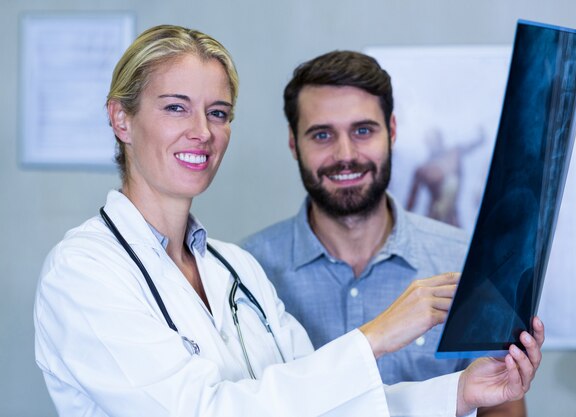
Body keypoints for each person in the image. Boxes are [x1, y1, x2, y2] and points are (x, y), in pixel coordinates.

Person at [34, 25, 543, 417]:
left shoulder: (235, 268)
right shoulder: (82, 272)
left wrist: (460, 390)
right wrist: (379, 334)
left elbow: (323, 405)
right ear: (121, 118)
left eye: (218, 113)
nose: (201, 133)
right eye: (175, 107)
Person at [242, 51, 525, 416]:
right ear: (294, 144)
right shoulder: (247, 273)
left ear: (391, 131)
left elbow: (502, 407)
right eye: (322, 134)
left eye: (363, 131)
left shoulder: (467, 260)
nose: (345, 155)